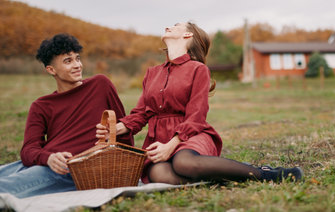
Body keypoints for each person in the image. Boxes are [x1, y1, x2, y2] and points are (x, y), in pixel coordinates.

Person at [96, 22, 303, 184]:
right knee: (160, 175)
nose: (168, 27)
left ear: (188, 35)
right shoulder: (152, 73)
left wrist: (172, 145)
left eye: (175, 26)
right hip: (158, 140)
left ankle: (264, 174)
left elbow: (196, 116)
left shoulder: (198, 70)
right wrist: (115, 128)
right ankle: (220, 175)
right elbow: (141, 113)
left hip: (191, 135)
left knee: (183, 162)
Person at [0, 34, 133, 198]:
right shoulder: (41, 105)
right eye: (68, 61)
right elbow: (28, 150)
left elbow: (125, 135)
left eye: (77, 59)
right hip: (49, 161)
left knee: (6, 186)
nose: (77, 65)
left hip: (76, 169)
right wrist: (48, 158)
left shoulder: (100, 85)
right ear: (51, 70)